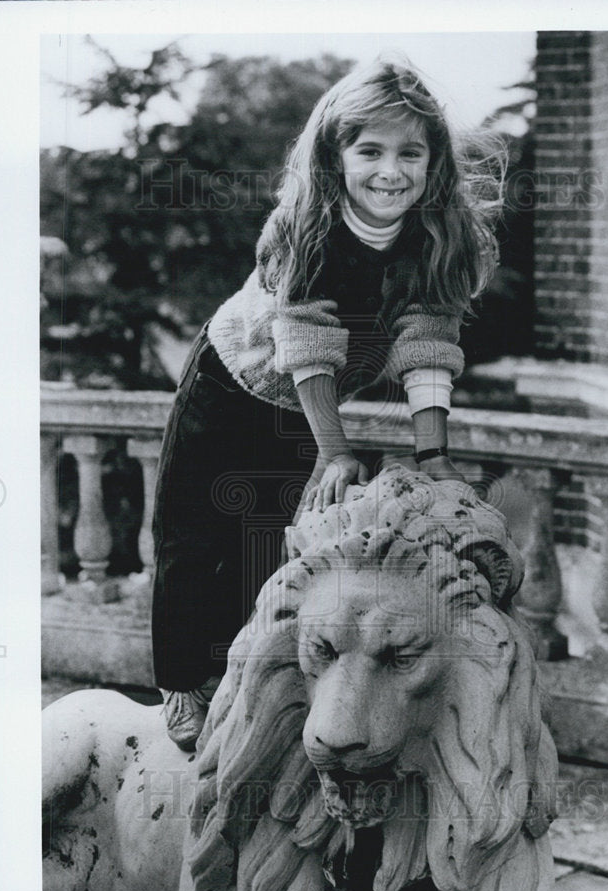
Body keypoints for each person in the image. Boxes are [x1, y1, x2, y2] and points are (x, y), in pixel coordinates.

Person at [152, 57, 502, 749]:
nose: (389, 171)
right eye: (368, 150)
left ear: (434, 162)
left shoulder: (441, 238)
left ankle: (253, 686)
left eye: (410, 152)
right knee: (192, 535)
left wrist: (433, 455)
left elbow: (427, 347)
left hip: (311, 404)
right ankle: (182, 684)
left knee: (274, 548)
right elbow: (305, 343)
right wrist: (334, 450)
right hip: (233, 382)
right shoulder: (302, 228)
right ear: (334, 156)